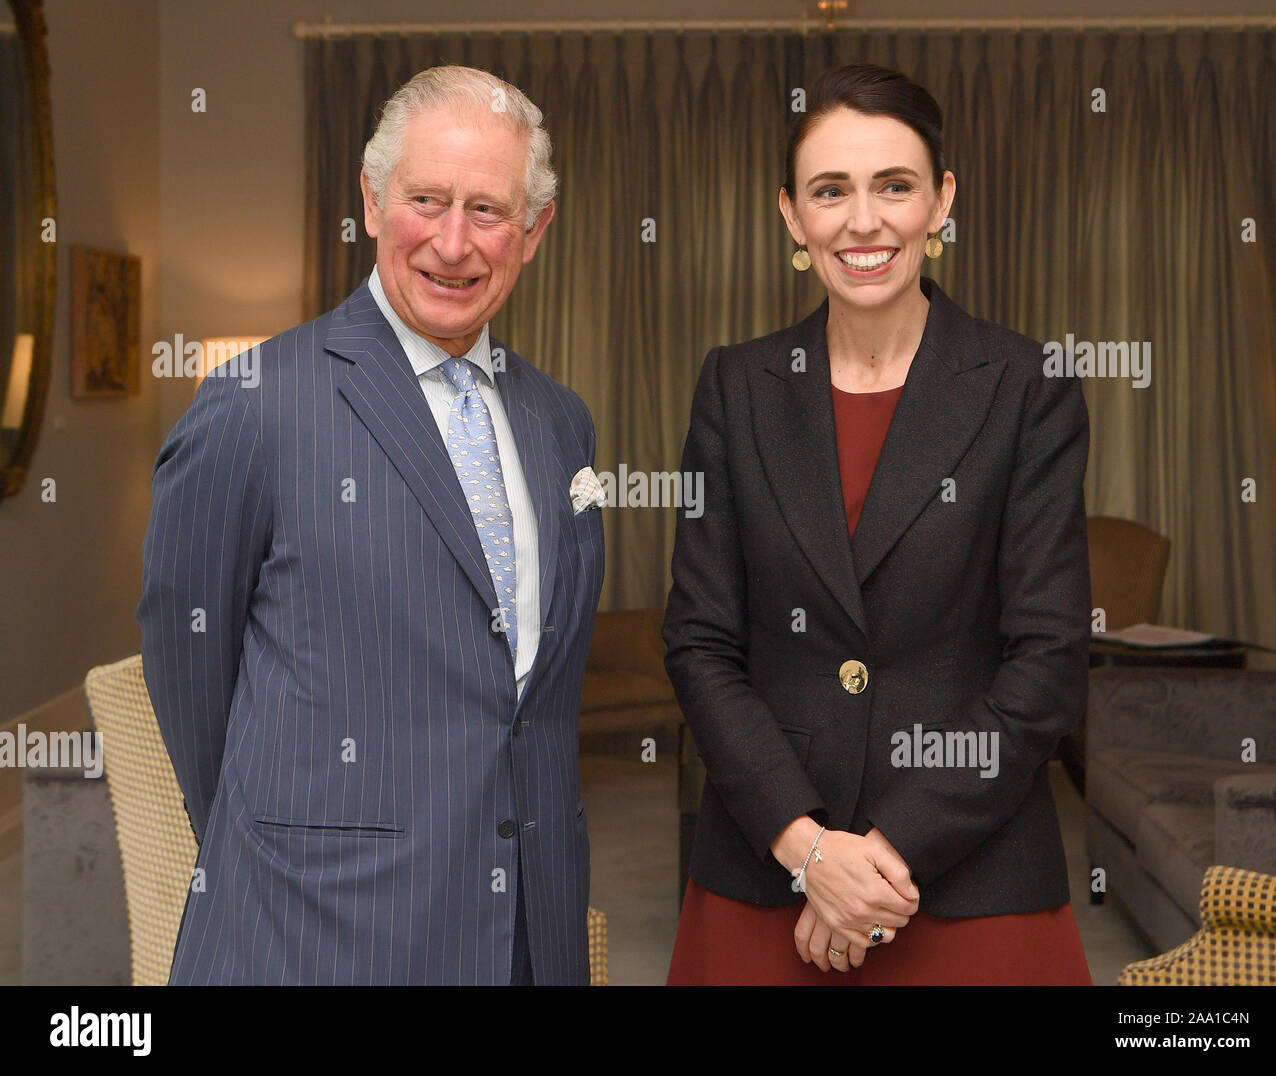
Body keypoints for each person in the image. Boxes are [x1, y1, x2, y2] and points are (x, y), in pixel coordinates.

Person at [137, 65, 604, 985]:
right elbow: (189, 668)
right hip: (321, 931)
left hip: (528, 931)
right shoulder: (257, 404)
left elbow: (532, 702)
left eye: (489, 210)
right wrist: (283, 845)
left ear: (535, 230)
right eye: (426, 199)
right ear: (372, 201)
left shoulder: (560, 420)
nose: (454, 241)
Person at [663, 63, 1093, 985]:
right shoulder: (735, 389)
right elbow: (701, 644)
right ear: (791, 215)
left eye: (894, 186)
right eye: (831, 191)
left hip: (971, 885)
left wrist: (882, 861)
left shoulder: (1031, 389)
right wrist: (810, 851)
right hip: (765, 876)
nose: (864, 221)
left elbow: (1048, 662)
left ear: (942, 200)